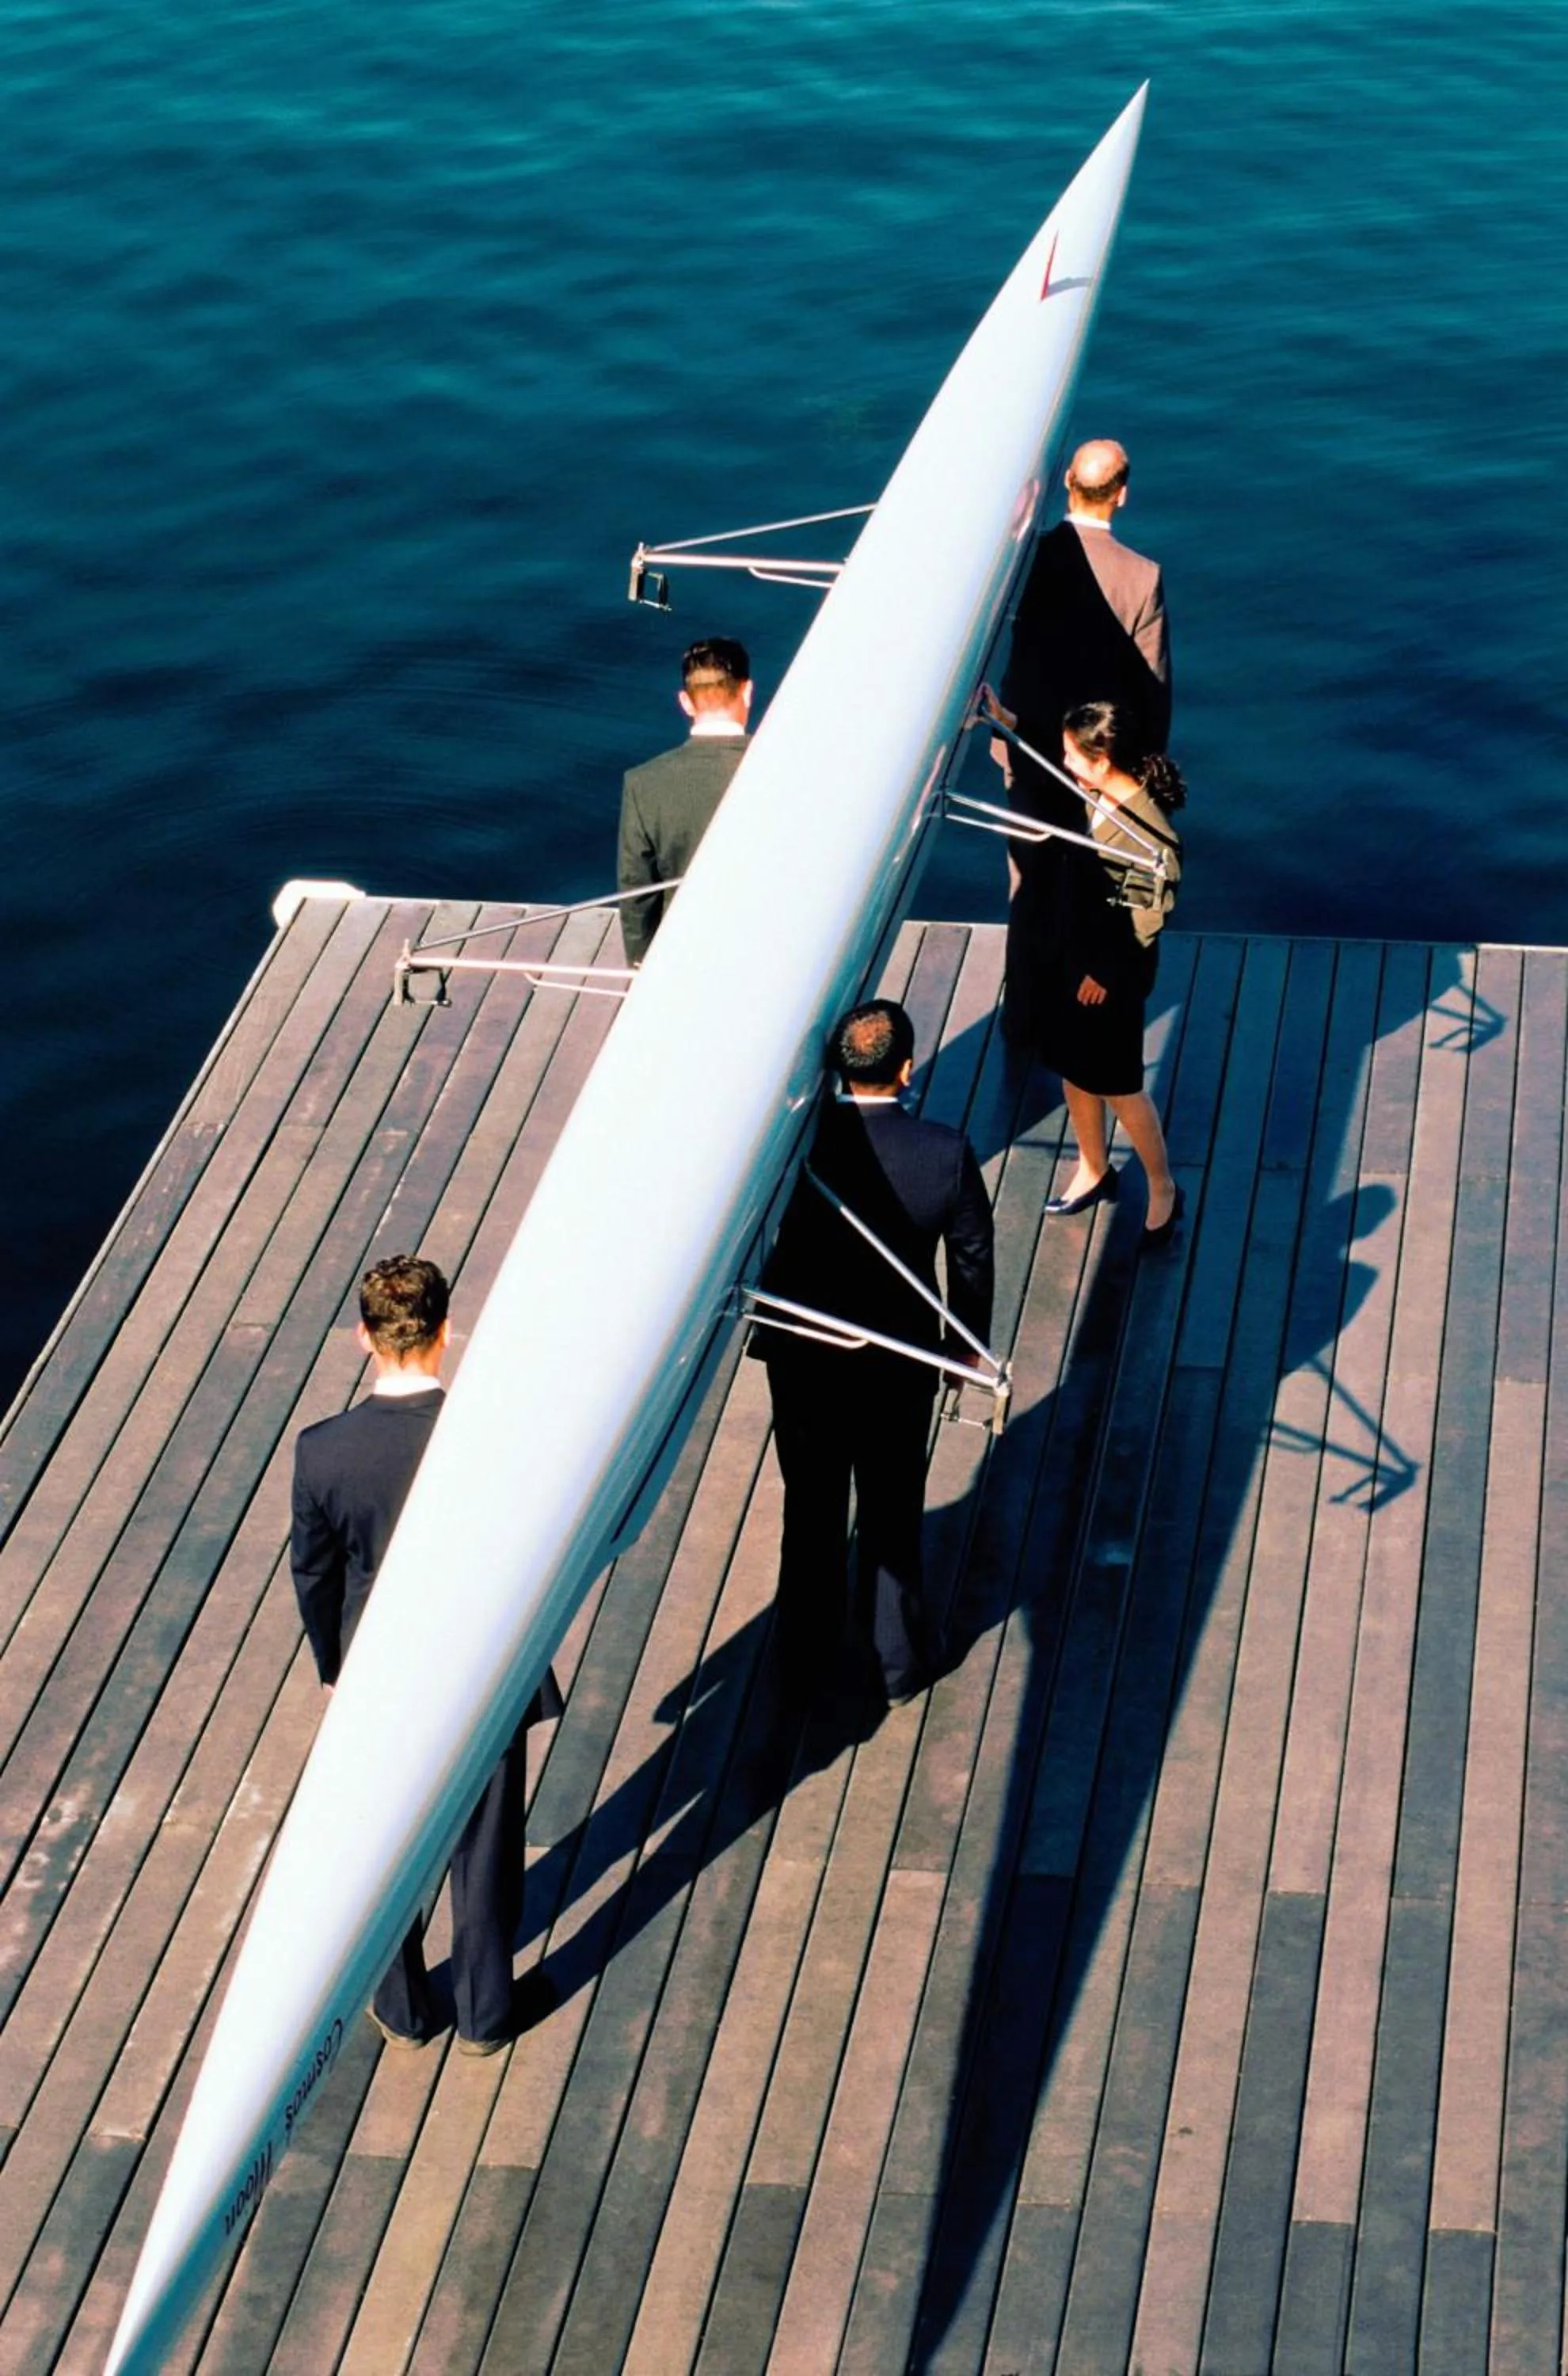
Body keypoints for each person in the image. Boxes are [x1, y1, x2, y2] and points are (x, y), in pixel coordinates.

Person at [290, 1255, 561, 2053]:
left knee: (382, 1833)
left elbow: (316, 1574)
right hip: (479, 1659)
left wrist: (334, 1665)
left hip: (378, 1667)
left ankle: (404, 2005)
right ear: (446, 1331)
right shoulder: (493, 1433)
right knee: (483, 1845)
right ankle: (485, 2013)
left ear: (363, 1338)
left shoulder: (323, 1451)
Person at [754, 1001, 995, 1705]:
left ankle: (804, 1658)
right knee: (891, 1507)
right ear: (908, 1069)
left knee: (812, 1508)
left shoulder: (797, 1145)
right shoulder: (945, 1154)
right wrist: (964, 1347)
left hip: (805, 1358)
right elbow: (972, 1260)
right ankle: (897, 1660)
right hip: (898, 1363)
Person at [989, 440, 1172, 1044]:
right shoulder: (1142, 579)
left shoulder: (1025, 559)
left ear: (1066, 480)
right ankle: (1079, 1004)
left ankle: (1021, 1014)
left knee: (1030, 879)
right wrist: (1137, 769)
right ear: (1122, 493)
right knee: (1095, 880)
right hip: (1098, 759)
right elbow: (1153, 688)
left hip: (1026, 745)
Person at [1035, 701, 1186, 1246]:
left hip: (1110, 978)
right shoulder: (1095, 792)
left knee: (1120, 1086)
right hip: (1074, 960)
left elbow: (1148, 920)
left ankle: (1162, 1185)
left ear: (1103, 760)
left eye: (1074, 754)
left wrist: (1104, 972)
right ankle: (1094, 1167)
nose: (1066, 761)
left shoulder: (1151, 836)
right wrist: (1009, 724)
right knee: (1074, 1070)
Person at [617, 635, 753, 965]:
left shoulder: (643, 783)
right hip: (765, 944)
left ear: (686, 702)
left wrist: (640, 964)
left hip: (683, 950)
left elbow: (637, 889)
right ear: (747, 691)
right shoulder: (789, 766)